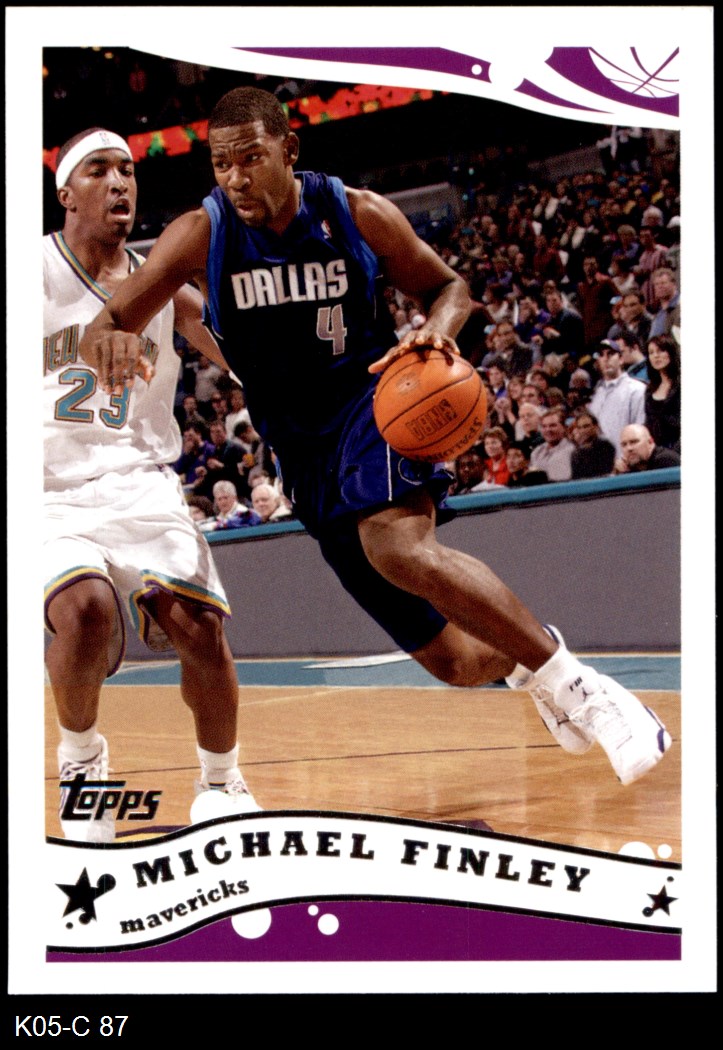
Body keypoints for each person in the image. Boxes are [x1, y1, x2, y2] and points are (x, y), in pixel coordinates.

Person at [79, 88, 670, 787]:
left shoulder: (354, 211)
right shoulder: (200, 233)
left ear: (289, 150)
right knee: (454, 661)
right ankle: (533, 657)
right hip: (301, 452)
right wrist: (110, 343)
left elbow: (449, 288)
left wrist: (434, 333)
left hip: (373, 406)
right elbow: (107, 321)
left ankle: (586, 691)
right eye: (221, 164)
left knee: (395, 546)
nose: (235, 177)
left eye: (251, 158)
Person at [44, 127, 260, 843]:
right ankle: (83, 764)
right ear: (65, 192)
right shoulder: (29, 272)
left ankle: (222, 783)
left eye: (127, 170)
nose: (119, 182)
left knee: (200, 625)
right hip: (47, 490)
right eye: (99, 170)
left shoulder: (163, 288)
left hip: (140, 481)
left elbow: (250, 360)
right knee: (84, 611)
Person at [588, 340, 646, 455]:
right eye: (601, 355)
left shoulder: (636, 389)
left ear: (621, 359)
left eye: (610, 354)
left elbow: (640, 429)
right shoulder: (597, 394)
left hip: (625, 460)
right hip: (598, 461)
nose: (605, 359)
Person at [645, 334, 681, 451]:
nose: (656, 356)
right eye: (651, 352)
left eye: (660, 351)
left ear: (671, 352)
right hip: (657, 450)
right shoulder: (649, 390)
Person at [613, 424, 682, 474]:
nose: (629, 448)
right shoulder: (629, 467)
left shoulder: (666, 461)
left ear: (650, 442)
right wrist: (617, 473)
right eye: (624, 445)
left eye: (634, 442)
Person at [529, 409, 575, 482]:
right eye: (544, 426)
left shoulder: (572, 450)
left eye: (553, 425)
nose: (548, 430)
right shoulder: (536, 452)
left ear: (564, 427)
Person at [570, 411, 616, 479]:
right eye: (579, 427)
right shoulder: (576, 454)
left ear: (595, 426)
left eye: (586, 426)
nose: (583, 431)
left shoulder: (606, 447)